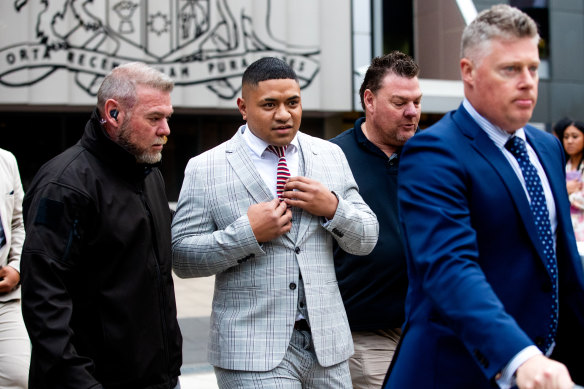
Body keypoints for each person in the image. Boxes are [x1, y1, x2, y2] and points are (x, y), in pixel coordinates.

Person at [384, 5, 584, 389]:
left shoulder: (547, 148)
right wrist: (520, 357)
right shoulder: (433, 152)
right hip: (456, 372)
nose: (527, 81)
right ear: (468, 72)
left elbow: (561, 268)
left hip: (546, 372)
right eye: (510, 69)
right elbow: (449, 267)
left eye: (532, 68)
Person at [172, 57, 379, 388]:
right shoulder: (205, 168)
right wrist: (246, 234)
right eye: (269, 104)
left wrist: (333, 208)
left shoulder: (329, 155)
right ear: (243, 106)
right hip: (251, 351)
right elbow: (182, 257)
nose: (284, 114)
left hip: (328, 347)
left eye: (292, 102)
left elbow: (366, 238)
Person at [20, 62, 183, 389]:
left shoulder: (150, 176)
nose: (165, 129)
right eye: (154, 118)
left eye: (167, 118)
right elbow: (44, 300)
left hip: (158, 378)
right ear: (114, 113)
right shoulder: (63, 186)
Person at [329, 51, 421, 389]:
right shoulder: (331, 158)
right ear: (370, 100)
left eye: (416, 102)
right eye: (400, 102)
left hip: (428, 327)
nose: (412, 112)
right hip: (364, 332)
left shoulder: (431, 155)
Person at [0, 148, 30, 388]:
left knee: (19, 377)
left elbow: (18, 222)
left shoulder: (6, 160)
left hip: (5, 296)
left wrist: (16, 268)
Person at [553, 118, 584, 243]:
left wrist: (561, 192)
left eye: (575, 137)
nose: (569, 141)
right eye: (566, 137)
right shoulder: (561, 164)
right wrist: (565, 190)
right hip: (564, 227)